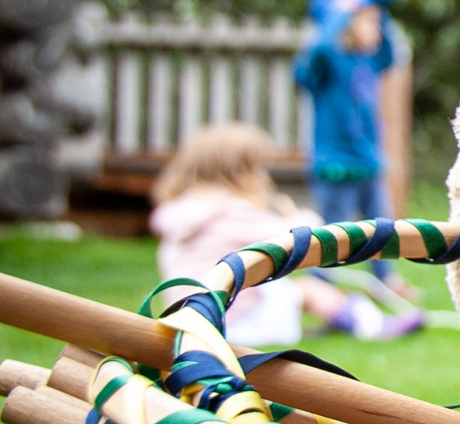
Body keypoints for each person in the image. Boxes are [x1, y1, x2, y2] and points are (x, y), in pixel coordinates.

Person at [150, 123, 422, 344]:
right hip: (232, 325)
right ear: (237, 172)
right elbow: (296, 238)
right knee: (309, 289)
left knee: (282, 289)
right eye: (256, 168)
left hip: (191, 323)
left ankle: (340, 321)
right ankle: (374, 326)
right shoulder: (230, 211)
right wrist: (296, 217)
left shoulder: (185, 211)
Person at [295, 0, 396, 224]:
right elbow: (315, 56)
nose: (378, 28)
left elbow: (390, 54)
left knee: (384, 234)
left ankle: (385, 266)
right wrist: (338, 16)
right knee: (330, 238)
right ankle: (322, 266)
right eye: (370, 21)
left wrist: (380, 12)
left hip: (368, 161)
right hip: (335, 166)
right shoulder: (326, 65)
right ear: (345, 25)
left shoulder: (370, 61)